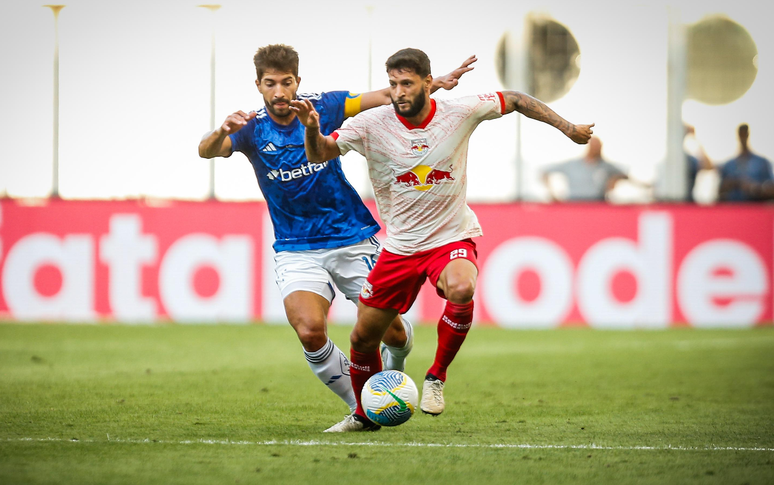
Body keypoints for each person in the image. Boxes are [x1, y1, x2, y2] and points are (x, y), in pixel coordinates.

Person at [291, 47, 594, 432]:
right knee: (363, 338)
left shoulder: (459, 112)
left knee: (462, 287)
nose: (398, 92)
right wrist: (311, 128)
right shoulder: (370, 124)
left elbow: (515, 99)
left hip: (450, 237)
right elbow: (321, 154)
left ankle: (436, 377)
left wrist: (568, 128)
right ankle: (365, 416)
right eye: (393, 84)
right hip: (400, 247)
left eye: (406, 83)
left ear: (427, 83)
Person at [197, 44, 476, 415]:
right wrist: (220, 132)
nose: (279, 92)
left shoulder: (325, 105)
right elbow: (206, 151)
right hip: (296, 247)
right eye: (270, 84)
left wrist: (435, 84)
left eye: (286, 82)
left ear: (298, 81)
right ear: (258, 85)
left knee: (389, 334)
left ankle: (399, 355)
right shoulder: (248, 126)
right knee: (311, 331)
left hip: (351, 237)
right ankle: (365, 407)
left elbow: (386, 97)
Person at [540, 136, 627, 202]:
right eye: (594, 146)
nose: (596, 149)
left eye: (598, 146)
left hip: (598, 202)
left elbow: (624, 174)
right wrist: (551, 193)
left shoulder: (605, 166)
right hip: (575, 202)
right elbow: (544, 171)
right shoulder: (572, 164)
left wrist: (614, 180)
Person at [718, 124, 774, 202]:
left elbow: (771, 189)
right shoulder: (729, 165)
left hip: (756, 208)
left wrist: (754, 188)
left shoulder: (762, 163)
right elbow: (719, 192)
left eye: (745, 134)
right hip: (733, 209)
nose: (743, 137)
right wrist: (730, 184)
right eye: (741, 134)